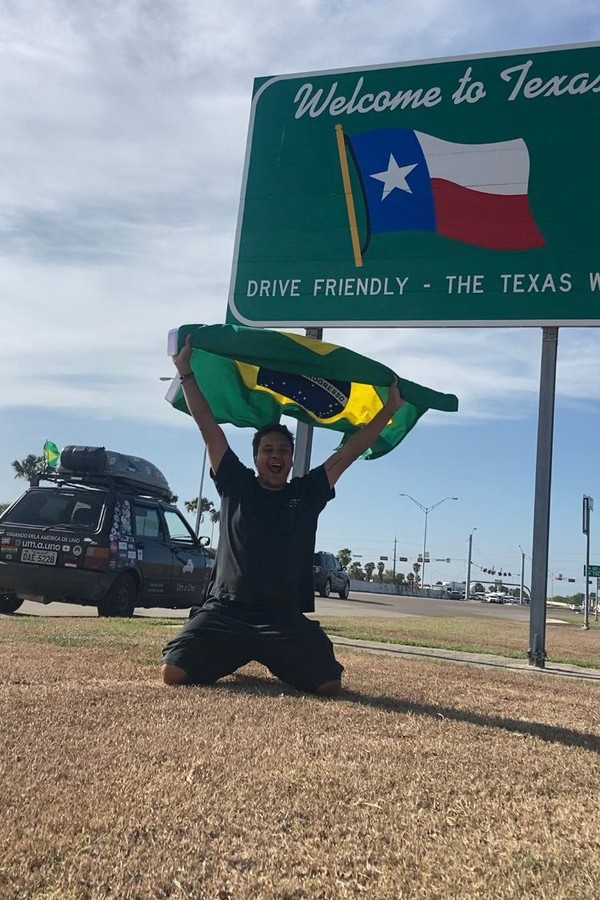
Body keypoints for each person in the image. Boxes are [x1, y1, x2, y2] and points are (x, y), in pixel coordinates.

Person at [161, 334, 403, 696]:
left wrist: (388, 411)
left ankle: (268, 654)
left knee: (328, 683)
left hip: (281, 618)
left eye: (283, 451)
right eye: (268, 450)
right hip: (226, 612)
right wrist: (185, 373)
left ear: (290, 460)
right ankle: (230, 649)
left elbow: (348, 452)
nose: (276, 456)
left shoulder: (306, 494)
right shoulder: (236, 483)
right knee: (173, 672)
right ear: (256, 457)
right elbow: (208, 429)